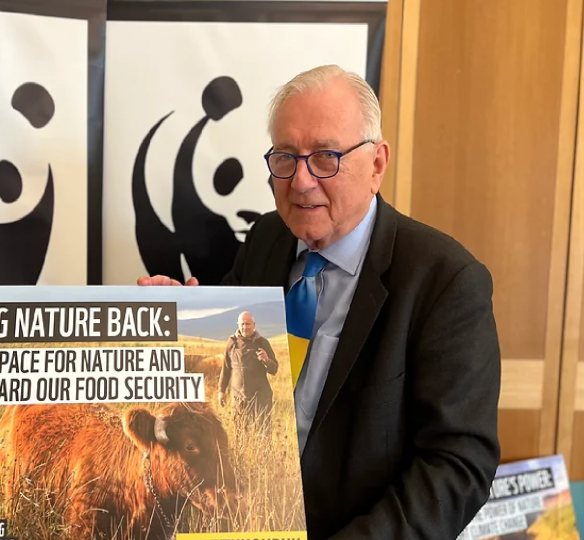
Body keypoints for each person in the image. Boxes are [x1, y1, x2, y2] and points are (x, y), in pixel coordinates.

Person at [138, 64, 501, 540]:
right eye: (286, 158)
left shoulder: (446, 282)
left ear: (377, 163)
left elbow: (458, 466)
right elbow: (231, 350)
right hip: (242, 516)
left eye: (326, 157)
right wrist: (179, 313)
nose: (302, 181)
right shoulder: (267, 238)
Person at [218, 311, 278, 434]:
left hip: (260, 397)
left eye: (248, 324)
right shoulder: (231, 343)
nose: (245, 327)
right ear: (238, 325)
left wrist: (267, 360)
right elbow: (226, 368)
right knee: (240, 433)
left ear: (254, 325)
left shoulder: (262, 342)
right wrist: (221, 391)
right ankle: (245, 454)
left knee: (263, 433)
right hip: (238, 397)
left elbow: (274, 369)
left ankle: (264, 454)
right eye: (242, 324)